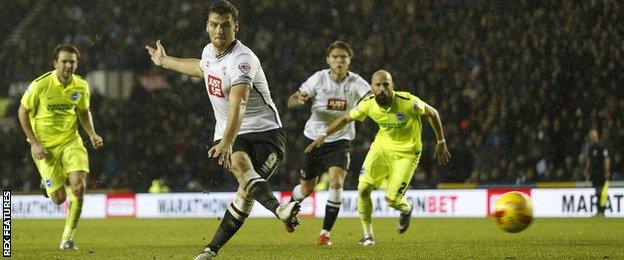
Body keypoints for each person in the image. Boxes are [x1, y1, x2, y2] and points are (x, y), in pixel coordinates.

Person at [145, 1, 299, 259]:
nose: (219, 31)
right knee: (240, 168)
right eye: (214, 25)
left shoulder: (243, 60)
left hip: (266, 133)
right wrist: (164, 61)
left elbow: (238, 103)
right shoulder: (209, 52)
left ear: (235, 27)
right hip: (231, 133)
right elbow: (200, 68)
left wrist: (227, 141)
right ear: (207, 27)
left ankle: (212, 248)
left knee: (245, 193)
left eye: (225, 26)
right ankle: (276, 212)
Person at [306, 70, 451, 246]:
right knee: (363, 189)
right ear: (372, 87)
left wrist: (441, 141)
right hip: (381, 149)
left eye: (386, 85)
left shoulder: (408, 102)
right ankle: (368, 236)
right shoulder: (368, 104)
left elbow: (433, 113)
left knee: (392, 199)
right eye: (378, 85)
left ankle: (406, 208)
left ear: (392, 86)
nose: (382, 89)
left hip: (407, 154)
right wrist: (324, 134)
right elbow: (346, 118)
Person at [17, 43, 103, 250]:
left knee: (79, 186)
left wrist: (92, 133)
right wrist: (34, 142)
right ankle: (46, 185)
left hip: (71, 141)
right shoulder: (40, 85)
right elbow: (22, 112)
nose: (68, 65)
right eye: (64, 61)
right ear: (55, 63)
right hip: (44, 147)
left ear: (76, 64)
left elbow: (83, 111)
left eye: (72, 62)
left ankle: (68, 238)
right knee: (58, 198)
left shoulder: (81, 86)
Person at [286, 41, 370, 246]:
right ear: (328, 60)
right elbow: (291, 100)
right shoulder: (318, 79)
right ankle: (290, 206)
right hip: (313, 139)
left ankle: (325, 234)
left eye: (343, 57)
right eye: (335, 57)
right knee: (307, 189)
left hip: (340, 141)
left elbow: (371, 99)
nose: (339, 60)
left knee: (336, 181)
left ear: (349, 60)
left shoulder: (357, 83)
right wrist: (297, 99)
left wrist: (370, 103)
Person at [583, 129, 610, 215]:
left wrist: (606, 170)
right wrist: (586, 170)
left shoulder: (601, 146)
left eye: (594, 134)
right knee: (597, 191)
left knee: (602, 191)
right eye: (591, 135)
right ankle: (599, 210)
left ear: (597, 135)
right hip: (594, 173)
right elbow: (589, 160)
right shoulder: (591, 148)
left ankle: (602, 209)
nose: (592, 136)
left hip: (601, 172)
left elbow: (606, 158)